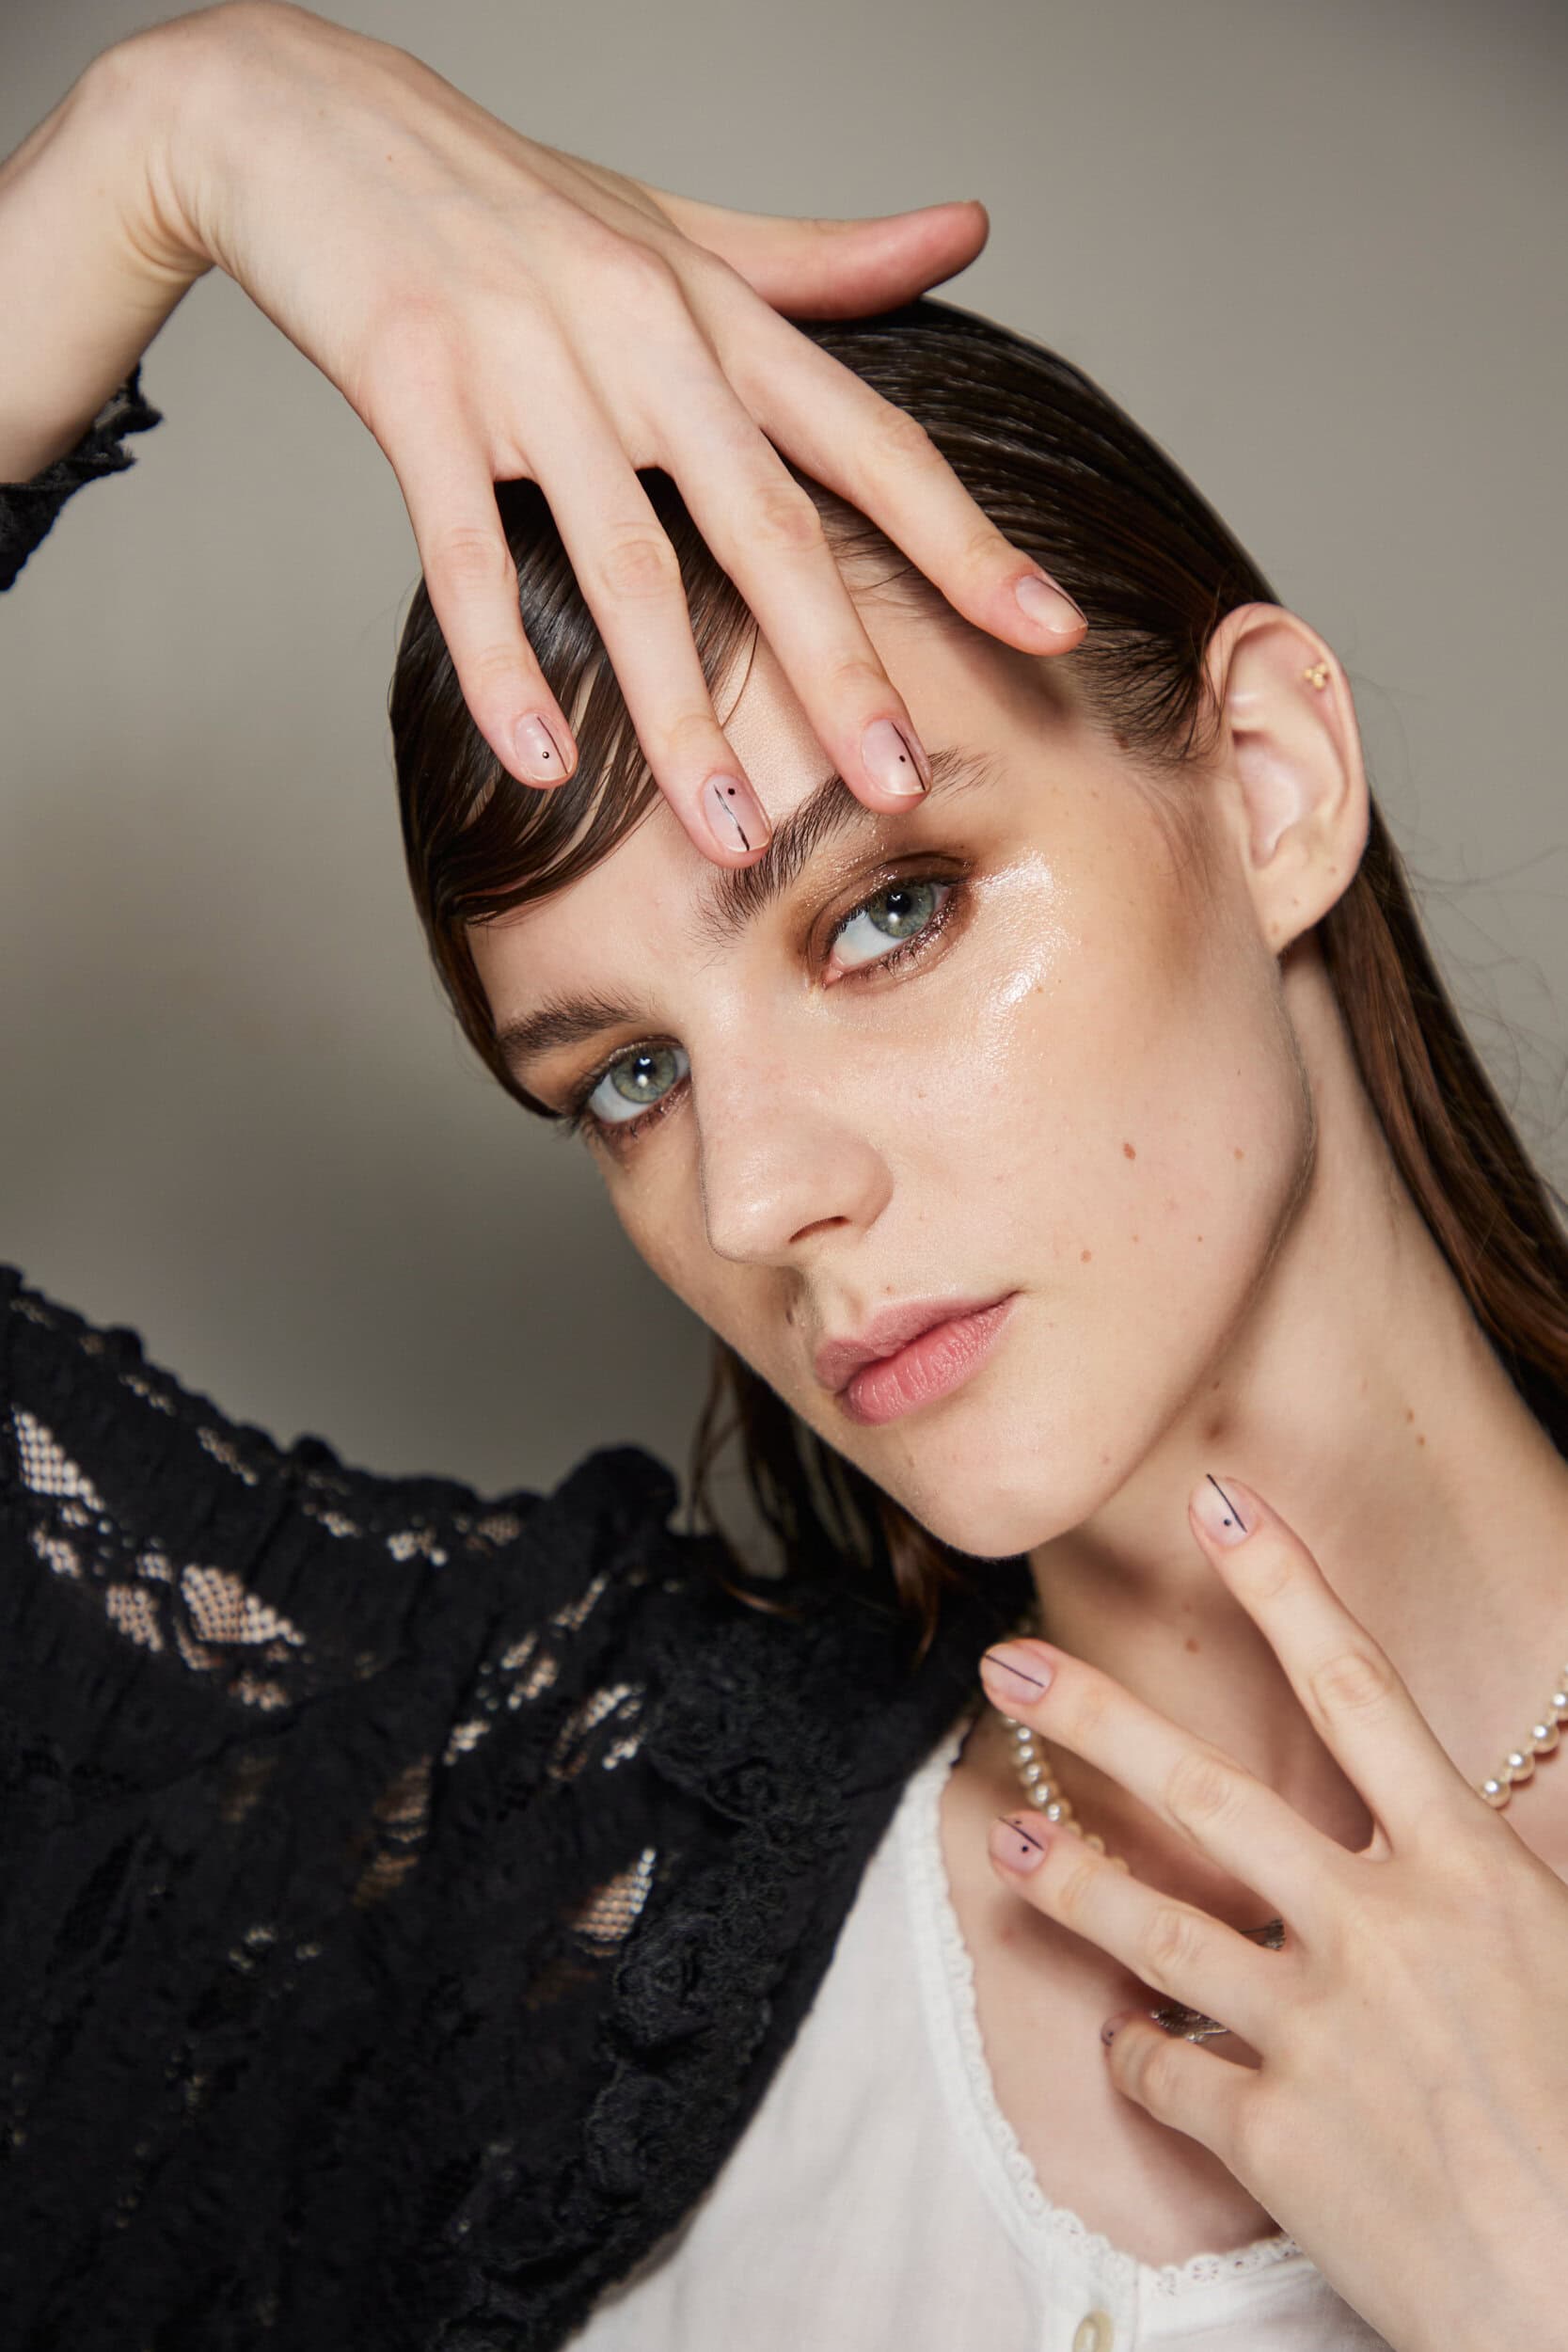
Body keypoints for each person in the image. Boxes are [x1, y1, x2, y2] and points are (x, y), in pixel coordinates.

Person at [3, 7, 1565, 2349]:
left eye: (887, 910)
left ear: (1265, 784)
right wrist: (168, 140)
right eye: (629, 1074)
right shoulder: (556, 1883)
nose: (754, 1196)